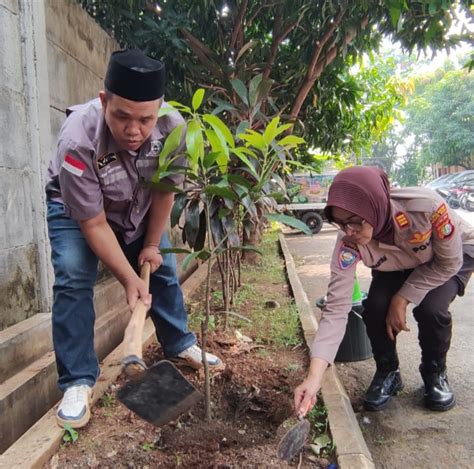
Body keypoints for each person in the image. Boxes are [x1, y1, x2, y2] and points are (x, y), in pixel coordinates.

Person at [45, 49, 223, 429]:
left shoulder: (174, 130)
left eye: (145, 119)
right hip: (77, 209)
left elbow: (164, 192)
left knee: (162, 267)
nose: (133, 130)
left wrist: (152, 245)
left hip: (137, 202)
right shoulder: (78, 139)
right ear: (103, 101)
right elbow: (92, 223)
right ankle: (77, 381)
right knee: (74, 276)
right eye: (122, 116)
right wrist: (128, 279)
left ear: (158, 109)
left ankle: (179, 342)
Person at [294, 166, 473, 416]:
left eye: (355, 221)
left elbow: (449, 263)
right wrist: (313, 379)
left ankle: (435, 373)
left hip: (446, 259)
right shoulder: (349, 240)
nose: (349, 231)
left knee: (431, 309)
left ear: (374, 207)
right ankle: (388, 371)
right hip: (397, 263)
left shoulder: (428, 208)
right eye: (340, 223)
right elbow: (336, 309)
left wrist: (402, 298)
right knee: (375, 308)